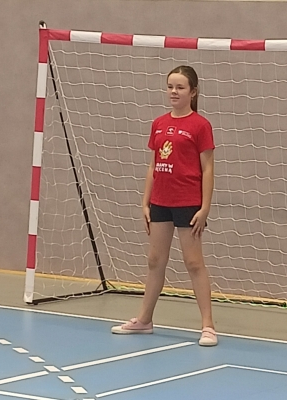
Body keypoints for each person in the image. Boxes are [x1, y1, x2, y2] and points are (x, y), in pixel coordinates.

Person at [112, 65, 217, 346]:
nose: (174, 91)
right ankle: (144, 319)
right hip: (160, 201)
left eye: (180, 87)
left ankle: (208, 326)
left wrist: (205, 207)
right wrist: (145, 201)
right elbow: (153, 165)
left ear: (192, 92)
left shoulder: (200, 125)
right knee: (155, 261)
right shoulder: (158, 123)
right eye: (170, 86)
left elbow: (208, 169)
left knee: (194, 262)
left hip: (188, 203)